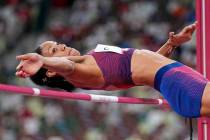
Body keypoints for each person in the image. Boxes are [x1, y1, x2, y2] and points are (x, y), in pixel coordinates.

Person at [16, 22, 210, 118]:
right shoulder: (76, 72)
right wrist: (42, 60)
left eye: (58, 44)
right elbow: (69, 66)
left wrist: (171, 44)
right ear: (50, 70)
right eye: (54, 50)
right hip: (178, 82)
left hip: (176, 78)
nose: (62, 46)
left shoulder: (91, 60)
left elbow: (144, 64)